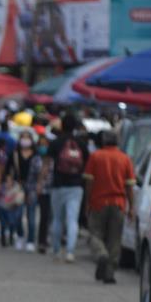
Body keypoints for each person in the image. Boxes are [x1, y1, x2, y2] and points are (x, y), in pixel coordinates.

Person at [83, 130, 135, 284]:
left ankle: (101, 255)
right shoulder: (125, 159)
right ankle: (109, 273)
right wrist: (131, 207)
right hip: (118, 204)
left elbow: (89, 183)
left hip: (98, 203)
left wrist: (87, 202)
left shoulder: (96, 156)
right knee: (115, 239)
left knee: (95, 234)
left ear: (104, 141)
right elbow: (130, 186)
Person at [41, 113, 89, 263]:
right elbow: (87, 166)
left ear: (62, 126)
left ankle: (56, 250)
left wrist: (41, 181)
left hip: (58, 185)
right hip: (76, 186)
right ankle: (70, 251)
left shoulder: (56, 143)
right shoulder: (81, 143)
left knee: (57, 219)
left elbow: (47, 164)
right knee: (72, 220)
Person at [5, 131, 37, 252]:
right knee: (17, 215)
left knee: (31, 215)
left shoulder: (36, 154)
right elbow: (8, 170)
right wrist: (9, 183)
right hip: (18, 187)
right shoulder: (14, 154)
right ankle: (20, 235)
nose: (25, 140)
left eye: (27, 137)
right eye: (23, 137)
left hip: (32, 188)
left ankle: (30, 240)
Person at [28, 135, 53, 254]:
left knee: (48, 217)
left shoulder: (53, 160)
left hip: (50, 191)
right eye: (41, 144)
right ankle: (36, 240)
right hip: (37, 191)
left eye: (45, 144)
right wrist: (32, 190)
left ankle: (44, 239)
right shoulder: (35, 159)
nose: (43, 147)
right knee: (37, 216)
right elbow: (31, 177)